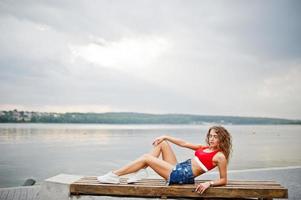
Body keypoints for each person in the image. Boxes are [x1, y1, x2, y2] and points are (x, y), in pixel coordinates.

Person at [97, 125, 232, 194]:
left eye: (215, 136)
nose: (211, 138)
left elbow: (223, 180)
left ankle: (115, 175)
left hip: (182, 176)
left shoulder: (220, 156)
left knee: (146, 157)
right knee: (162, 143)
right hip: (180, 168)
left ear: (222, 138)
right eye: (210, 136)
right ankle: (142, 171)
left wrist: (209, 183)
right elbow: (183, 143)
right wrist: (166, 136)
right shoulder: (204, 147)